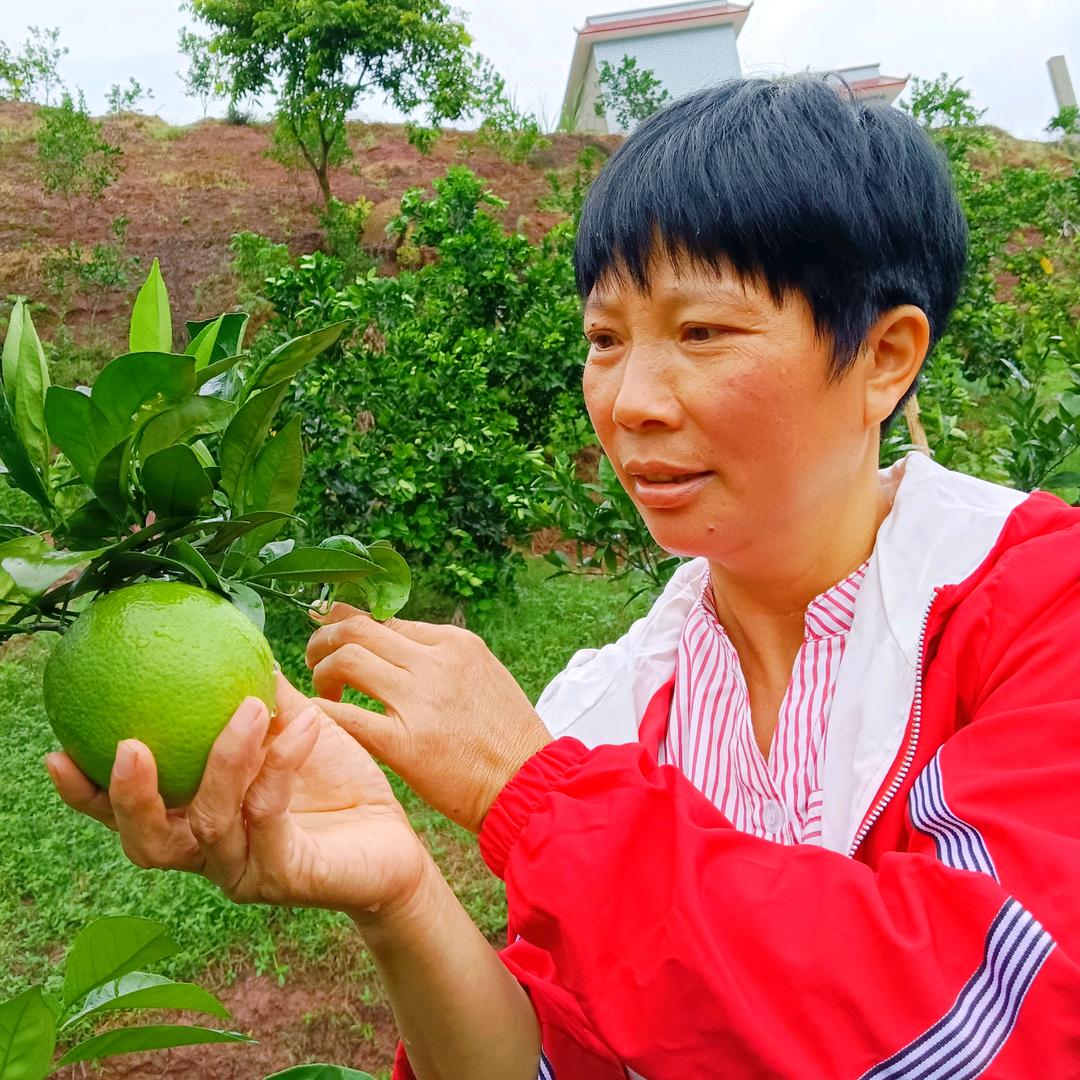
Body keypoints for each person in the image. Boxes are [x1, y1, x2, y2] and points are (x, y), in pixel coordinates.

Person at [48, 76, 1080, 1079]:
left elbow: (1004, 1020)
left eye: (701, 332)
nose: (629, 401)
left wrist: (525, 790)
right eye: (603, 339)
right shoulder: (612, 705)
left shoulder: (1039, 605)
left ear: (887, 358)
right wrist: (403, 898)